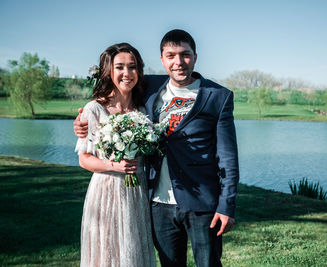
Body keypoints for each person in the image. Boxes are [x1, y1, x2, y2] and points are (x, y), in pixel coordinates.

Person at [74, 29, 239, 267]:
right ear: (162, 60)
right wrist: (81, 125)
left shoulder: (217, 96)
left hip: (202, 202)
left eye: (185, 55)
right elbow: (109, 97)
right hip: (156, 203)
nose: (178, 62)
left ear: (195, 56)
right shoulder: (151, 89)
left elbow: (228, 158)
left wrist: (227, 205)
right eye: (170, 55)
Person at [74, 43, 156, 267]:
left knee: (133, 251)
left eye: (132, 67)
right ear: (109, 71)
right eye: (119, 67)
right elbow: (84, 159)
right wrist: (114, 165)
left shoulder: (142, 111)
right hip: (106, 192)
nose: (127, 74)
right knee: (107, 253)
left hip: (136, 191)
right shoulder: (94, 109)